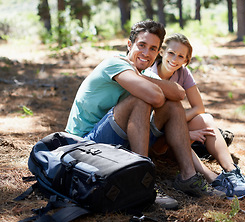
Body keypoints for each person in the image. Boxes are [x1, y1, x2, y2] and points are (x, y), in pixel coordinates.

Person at [65, 20, 225, 208]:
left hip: (114, 143)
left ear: (158, 53)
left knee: (173, 106)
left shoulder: (142, 74)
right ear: (129, 45)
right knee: (140, 99)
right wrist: (140, 77)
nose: (146, 53)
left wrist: (140, 76)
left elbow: (179, 93)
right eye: (141, 45)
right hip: (85, 145)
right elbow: (155, 97)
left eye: (153, 48)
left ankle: (188, 177)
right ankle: (142, 181)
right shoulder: (114, 64)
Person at [145, 33, 245, 199]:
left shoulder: (183, 73)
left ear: (186, 60)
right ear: (161, 52)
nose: (175, 59)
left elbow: (199, 107)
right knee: (181, 127)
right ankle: (212, 178)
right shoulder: (149, 72)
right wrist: (182, 132)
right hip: (153, 138)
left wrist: (179, 126)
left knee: (206, 119)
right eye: (171, 53)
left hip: (170, 130)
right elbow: (150, 121)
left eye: (181, 56)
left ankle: (232, 173)